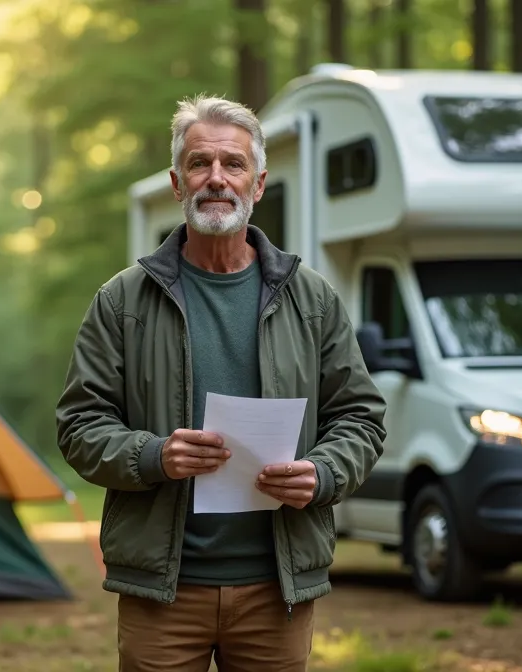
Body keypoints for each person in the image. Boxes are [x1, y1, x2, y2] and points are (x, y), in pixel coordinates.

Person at [54, 94, 388, 672]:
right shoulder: (122, 300)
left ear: (258, 184)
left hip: (276, 590)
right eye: (199, 163)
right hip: (162, 590)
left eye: (232, 164)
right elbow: (79, 425)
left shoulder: (311, 298)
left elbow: (360, 417)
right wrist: (154, 454)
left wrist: (324, 472)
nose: (216, 179)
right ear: (176, 183)